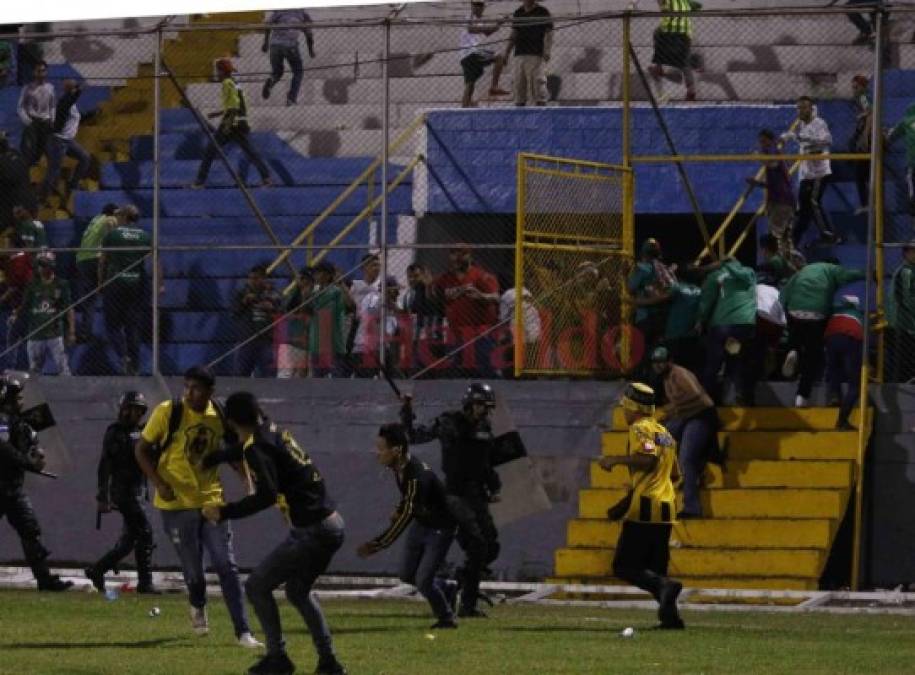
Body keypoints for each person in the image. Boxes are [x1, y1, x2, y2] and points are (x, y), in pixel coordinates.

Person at [202, 391, 346, 675]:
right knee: (297, 591)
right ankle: (328, 661)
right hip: (332, 524)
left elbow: (266, 494)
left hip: (311, 531)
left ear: (230, 423)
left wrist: (224, 511)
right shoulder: (272, 431)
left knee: (256, 586)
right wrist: (218, 456)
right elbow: (257, 449)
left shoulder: (256, 447)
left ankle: (278, 657)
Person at [134, 366, 262, 648]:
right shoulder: (169, 412)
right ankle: (197, 602)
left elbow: (232, 452)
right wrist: (159, 483)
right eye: (187, 387)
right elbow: (141, 449)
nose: (189, 393)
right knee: (194, 573)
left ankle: (243, 631)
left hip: (211, 501)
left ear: (210, 392)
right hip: (176, 503)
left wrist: (246, 480)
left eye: (196, 388)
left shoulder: (219, 416)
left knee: (226, 566)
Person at [402, 382, 501, 618]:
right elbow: (414, 436)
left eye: (487, 406)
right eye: (480, 405)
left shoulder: (485, 428)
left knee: (490, 547)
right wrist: (407, 411)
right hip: (455, 494)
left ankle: (464, 586)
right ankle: (466, 601)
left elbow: (485, 463)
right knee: (476, 544)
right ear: (469, 404)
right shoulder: (450, 422)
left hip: (477, 494)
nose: (484, 411)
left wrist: (493, 486)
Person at [599, 382, 684, 629]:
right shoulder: (664, 433)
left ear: (633, 407)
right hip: (666, 506)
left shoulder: (640, 428)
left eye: (625, 408)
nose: (623, 413)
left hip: (647, 506)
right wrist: (624, 503)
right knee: (656, 569)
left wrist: (615, 460)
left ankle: (664, 588)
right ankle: (671, 619)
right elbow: (676, 475)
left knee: (624, 565)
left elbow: (646, 460)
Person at [357, 423, 458, 629]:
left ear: (396, 450)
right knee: (406, 575)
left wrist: (378, 544)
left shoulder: (416, 476)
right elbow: (410, 504)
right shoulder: (399, 468)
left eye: (381, 449)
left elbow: (406, 516)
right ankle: (447, 588)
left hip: (440, 529)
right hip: (422, 523)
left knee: (423, 581)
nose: (378, 454)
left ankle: (446, 618)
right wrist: (401, 506)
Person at [0, 375, 73, 591]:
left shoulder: (22, 423)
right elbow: (3, 449)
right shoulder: (2, 420)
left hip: (13, 488)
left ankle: (44, 579)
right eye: (16, 397)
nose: (21, 401)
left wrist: (37, 457)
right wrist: (27, 463)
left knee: (31, 531)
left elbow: (34, 448)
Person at [85, 391, 160, 594]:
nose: (136, 414)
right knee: (145, 534)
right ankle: (145, 583)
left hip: (138, 490)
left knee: (129, 541)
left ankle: (97, 569)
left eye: (139, 410)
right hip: (123, 491)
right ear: (124, 409)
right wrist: (103, 496)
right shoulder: (116, 432)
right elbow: (105, 465)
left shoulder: (142, 432)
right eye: (132, 409)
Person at [780, 261, 865, 407]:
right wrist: (868, 273)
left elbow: (784, 295)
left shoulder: (803, 270)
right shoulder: (832, 269)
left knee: (796, 336)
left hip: (795, 310)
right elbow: (849, 275)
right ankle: (802, 397)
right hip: (816, 313)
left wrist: (787, 312)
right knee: (812, 356)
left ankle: (793, 349)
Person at [651, 346, 720, 519]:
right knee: (658, 438)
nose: (658, 366)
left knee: (686, 457)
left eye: (661, 362)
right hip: (685, 418)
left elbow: (698, 396)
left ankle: (692, 507)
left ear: (670, 361)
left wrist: (672, 409)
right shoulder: (665, 379)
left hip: (701, 416)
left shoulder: (679, 374)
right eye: (655, 363)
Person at [192, 58, 271, 189]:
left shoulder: (226, 83)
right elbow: (237, 105)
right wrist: (218, 113)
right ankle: (266, 178)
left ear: (221, 71)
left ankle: (199, 181)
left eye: (218, 70)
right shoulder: (235, 83)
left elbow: (233, 108)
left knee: (210, 150)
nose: (217, 73)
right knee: (250, 151)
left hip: (231, 123)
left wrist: (227, 127)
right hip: (241, 122)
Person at [98, 205, 155, 376]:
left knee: (112, 326)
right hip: (136, 283)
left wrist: (101, 282)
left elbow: (103, 261)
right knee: (132, 327)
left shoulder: (113, 235)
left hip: (115, 283)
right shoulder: (145, 236)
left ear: (124, 216)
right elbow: (154, 260)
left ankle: (124, 357)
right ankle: (135, 365)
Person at [431, 244, 500, 376]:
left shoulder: (481, 275)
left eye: (461, 254)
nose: (456, 258)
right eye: (453, 254)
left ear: (469, 256)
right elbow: (433, 292)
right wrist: (439, 293)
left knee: (484, 371)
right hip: (455, 334)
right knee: (454, 373)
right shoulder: (446, 278)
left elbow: (496, 297)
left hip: (480, 334)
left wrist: (481, 296)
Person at [697, 257, 757, 405]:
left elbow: (707, 300)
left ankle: (706, 401)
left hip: (722, 325)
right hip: (743, 324)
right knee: (739, 360)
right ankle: (743, 397)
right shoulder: (749, 272)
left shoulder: (716, 275)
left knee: (714, 363)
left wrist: (700, 320)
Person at [781, 96, 839, 248]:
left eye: (804, 107)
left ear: (811, 108)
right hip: (807, 173)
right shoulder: (801, 124)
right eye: (799, 108)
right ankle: (794, 241)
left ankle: (829, 235)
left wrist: (799, 137)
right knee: (802, 208)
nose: (801, 110)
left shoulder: (819, 123)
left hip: (820, 171)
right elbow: (804, 145)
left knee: (813, 201)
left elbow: (827, 141)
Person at [17, 250, 74, 375]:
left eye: (43, 265)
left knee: (64, 369)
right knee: (34, 371)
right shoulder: (32, 285)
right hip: (35, 333)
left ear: (51, 266)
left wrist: (71, 332)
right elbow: (25, 306)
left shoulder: (61, 284)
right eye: (39, 265)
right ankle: (36, 394)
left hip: (54, 334)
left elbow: (69, 308)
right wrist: (15, 315)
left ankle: (69, 392)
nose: (40, 268)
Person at [628, 238, 676, 374]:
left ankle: (641, 381)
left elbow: (631, 287)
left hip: (645, 317)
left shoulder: (643, 268)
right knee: (656, 351)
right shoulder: (664, 269)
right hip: (662, 317)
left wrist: (625, 275)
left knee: (640, 352)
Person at [748, 129, 795, 261]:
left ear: (771, 140)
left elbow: (773, 163)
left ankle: (778, 266)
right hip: (781, 199)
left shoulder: (774, 152)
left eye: (764, 141)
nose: (762, 145)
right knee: (785, 238)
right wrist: (757, 183)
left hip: (782, 202)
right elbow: (775, 184)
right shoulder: (771, 153)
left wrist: (759, 157)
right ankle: (787, 264)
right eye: (761, 142)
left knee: (776, 236)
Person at [75, 203, 118, 341]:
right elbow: (114, 234)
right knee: (110, 292)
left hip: (82, 260)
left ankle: (85, 332)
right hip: (95, 259)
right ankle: (113, 331)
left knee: (90, 299)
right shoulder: (109, 219)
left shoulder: (95, 219)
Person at [42, 78, 90, 202]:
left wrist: (91, 114)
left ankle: (73, 184)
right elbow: (69, 100)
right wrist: (80, 90)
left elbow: (74, 119)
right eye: (74, 88)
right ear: (70, 90)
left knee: (85, 158)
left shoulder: (71, 104)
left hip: (68, 141)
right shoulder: (65, 101)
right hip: (58, 141)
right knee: (54, 169)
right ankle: (43, 197)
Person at [233, 263, 281, 377]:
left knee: (268, 373)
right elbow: (234, 312)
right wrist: (244, 302)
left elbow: (281, 310)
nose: (252, 281)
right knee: (241, 373)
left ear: (264, 279)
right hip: (247, 338)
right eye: (250, 278)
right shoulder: (242, 293)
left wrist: (271, 307)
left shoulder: (273, 293)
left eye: (256, 278)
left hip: (266, 339)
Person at [308, 261, 354, 378]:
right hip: (317, 344)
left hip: (334, 344)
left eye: (319, 273)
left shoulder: (336, 291)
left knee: (336, 380)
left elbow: (350, 305)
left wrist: (340, 283)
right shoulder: (314, 293)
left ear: (328, 275)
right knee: (317, 380)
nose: (315, 276)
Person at [261, 8, 315, 107]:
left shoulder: (279, 11)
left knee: (277, 72)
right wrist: (311, 51)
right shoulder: (301, 13)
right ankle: (291, 98)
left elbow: (267, 25)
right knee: (298, 71)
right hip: (290, 45)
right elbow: (309, 34)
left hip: (275, 45)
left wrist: (265, 43)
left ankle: (272, 81)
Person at [460, 0, 509, 108]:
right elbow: (470, 29)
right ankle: (494, 87)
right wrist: (492, 25)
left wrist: (500, 23)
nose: (479, 8)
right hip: (471, 53)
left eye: (481, 5)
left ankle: (463, 110)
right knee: (499, 57)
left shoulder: (479, 20)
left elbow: (488, 32)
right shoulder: (469, 17)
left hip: (465, 56)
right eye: (477, 5)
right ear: (472, 6)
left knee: (470, 85)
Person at [824, 296, 863, 430]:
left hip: (831, 336)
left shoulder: (835, 314)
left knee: (834, 369)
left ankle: (834, 394)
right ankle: (842, 421)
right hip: (851, 338)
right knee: (855, 385)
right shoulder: (858, 315)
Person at [504, 0, 553, 107]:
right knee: (519, 86)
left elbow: (549, 33)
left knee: (537, 85)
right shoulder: (518, 12)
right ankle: (520, 115)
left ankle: (541, 115)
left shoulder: (542, 11)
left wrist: (547, 50)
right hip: (519, 54)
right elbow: (514, 34)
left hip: (535, 54)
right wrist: (507, 53)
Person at [648, 0, 697, 101]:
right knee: (685, 63)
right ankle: (690, 91)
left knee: (658, 35)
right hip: (682, 35)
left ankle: (659, 68)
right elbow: (697, 5)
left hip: (672, 34)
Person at [887, 240, 915, 384]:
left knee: (900, 359)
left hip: (901, 323)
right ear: (906, 253)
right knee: (903, 359)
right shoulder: (907, 271)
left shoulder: (905, 270)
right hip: (903, 323)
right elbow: (908, 298)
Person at [277, 267, 313, 379]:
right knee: (286, 374)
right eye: (302, 279)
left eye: (307, 279)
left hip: (308, 342)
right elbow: (285, 310)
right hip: (291, 340)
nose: (304, 281)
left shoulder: (316, 295)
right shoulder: (294, 294)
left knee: (302, 375)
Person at [17, 60, 54, 166]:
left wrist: (52, 119)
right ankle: (27, 168)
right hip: (32, 122)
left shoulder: (50, 88)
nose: (41, 74)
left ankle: (37, 166)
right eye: (38, 71)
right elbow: (20, 107)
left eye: (43, 71)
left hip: (46, 123)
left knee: (43, 148)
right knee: (29, 150)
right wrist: (27, 121)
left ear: (46, 72)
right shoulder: (27, 88)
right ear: (34, 72)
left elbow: (52, 105)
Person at [886, 103, 915, 228]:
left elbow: (890, 136)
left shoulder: (906, 121)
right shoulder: (907, 121)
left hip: (913, 164)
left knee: (913, 197)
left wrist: (885, 134)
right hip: (912, 164)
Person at [850, 75, 872, 214]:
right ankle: (867, 203)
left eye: (856, 87)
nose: (854, 90)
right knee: (863, 174)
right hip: (864, 140)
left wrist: (864, 137)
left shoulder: (863, 97)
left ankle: (866, 204)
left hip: (866, 142)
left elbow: (870, 114)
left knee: (860, 175)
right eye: (853, 87)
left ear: (863, 87)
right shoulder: (861, 99)